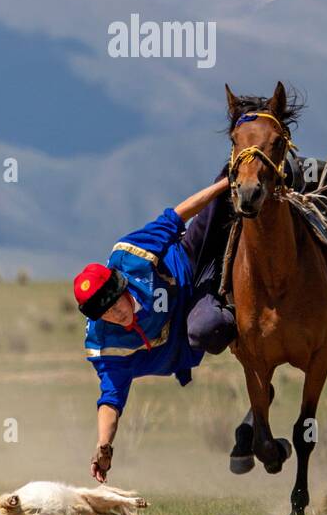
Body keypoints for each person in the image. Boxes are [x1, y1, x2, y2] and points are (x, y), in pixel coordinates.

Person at [72, 174, 235, 483]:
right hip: (192, 317)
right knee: (207, 327)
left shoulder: (132, 253)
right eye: (104, 313)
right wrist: (104, 444)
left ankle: (308, 175)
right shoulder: (105, 344)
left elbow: (176, 217)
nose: (114, 314)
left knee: (235, 185)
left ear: (120, 286)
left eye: (114, 304)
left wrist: (223, 185)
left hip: (188, 259)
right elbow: (111, 397)